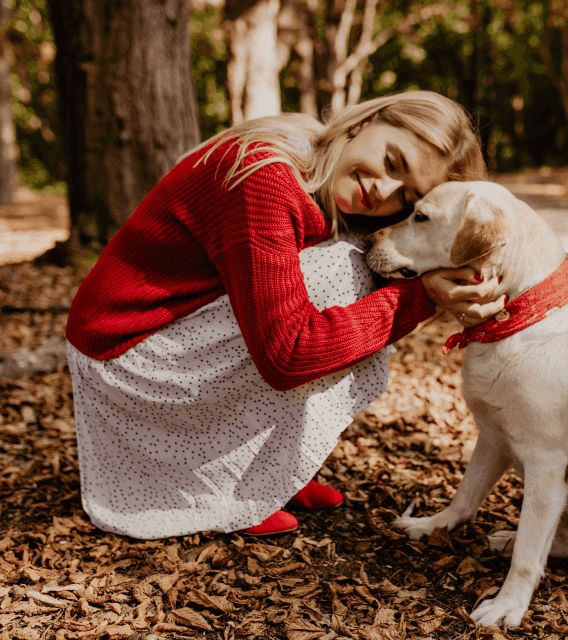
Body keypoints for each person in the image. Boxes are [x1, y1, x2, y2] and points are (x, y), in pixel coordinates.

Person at [65, 90, 506, 540]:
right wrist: (422, 299)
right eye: (393, 162)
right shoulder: (266, 177)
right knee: (347, 271)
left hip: (175, 332)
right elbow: (287, 355)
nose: (384, 191)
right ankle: (233, 493)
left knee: (360, 268)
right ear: (364, 123)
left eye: (408, 196)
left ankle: (273, 472)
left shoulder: (319, 170)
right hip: (127, 353)